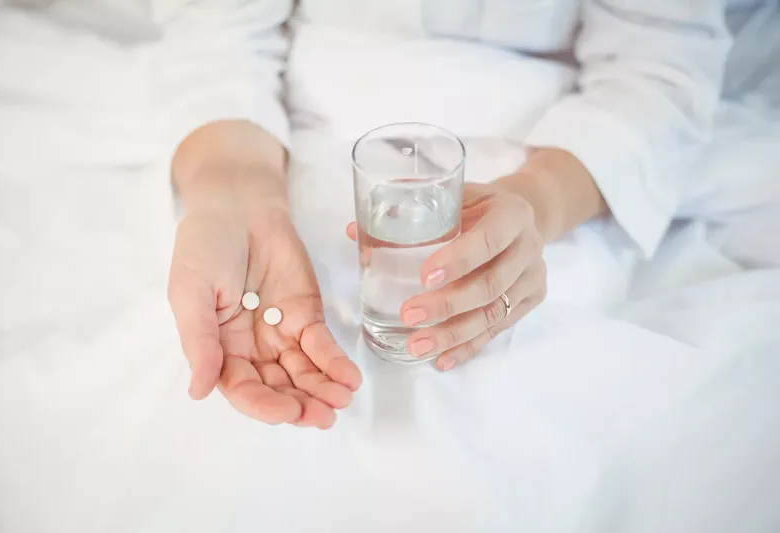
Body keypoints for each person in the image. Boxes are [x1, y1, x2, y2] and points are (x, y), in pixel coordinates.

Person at [164, 0, 732, 429]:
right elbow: (218, 30)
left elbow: (658, 67)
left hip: (556, 166)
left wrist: (537, 203)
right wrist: (229, 196)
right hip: (276, 140)